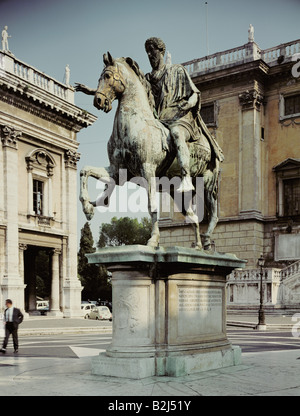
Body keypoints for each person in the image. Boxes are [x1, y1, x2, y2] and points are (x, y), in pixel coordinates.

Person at [144, 37, 223, 193]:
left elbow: (195, 93)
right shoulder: (149, 78)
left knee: (176, 133)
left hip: (180, 117)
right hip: (161, 120)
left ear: (160, 51)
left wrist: (190, 103)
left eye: (151, 50)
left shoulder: (177, 70)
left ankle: (186, 178)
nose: (149, 55)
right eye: (146, 52)